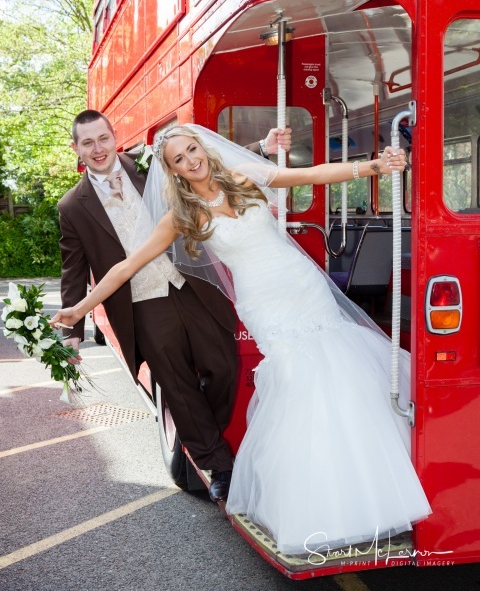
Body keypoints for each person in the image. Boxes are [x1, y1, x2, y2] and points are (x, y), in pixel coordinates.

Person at [52, 124, 431, 555]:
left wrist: (373, 166)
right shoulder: (182, 215)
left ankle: (370, 474)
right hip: (264, 304)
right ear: (171, 172)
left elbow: (311, 176)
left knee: (341, 365)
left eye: (193, 149)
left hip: (302, 285)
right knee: (299, 378)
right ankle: (316, 495)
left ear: (203, 147)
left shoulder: (244, 176)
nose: (190, 160)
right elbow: (125, 267)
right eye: (179, 159)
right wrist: (79, 310)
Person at [58, 111, 291, 503]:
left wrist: (263, 150)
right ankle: (218, 464)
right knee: (177, 385)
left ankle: (199, 429)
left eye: (102, 138)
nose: (98, 149)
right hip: (141, 303)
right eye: (88, 142)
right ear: (76, 149)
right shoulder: (72, 206)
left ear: (115, 136)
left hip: (191, 284)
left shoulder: (152, 166)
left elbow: (202, 169)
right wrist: (72, 332)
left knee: (223, 365)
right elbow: (73, 269)